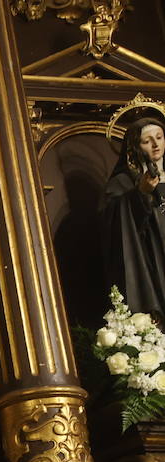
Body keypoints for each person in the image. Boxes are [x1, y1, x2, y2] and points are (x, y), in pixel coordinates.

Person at [102, 96, 165, 320]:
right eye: (147, 141)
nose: (156, 145)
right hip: (151, 258)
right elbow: (117, 226)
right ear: (134, 147)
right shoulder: (122, 182)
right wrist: (140, 194)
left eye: (159, 138)